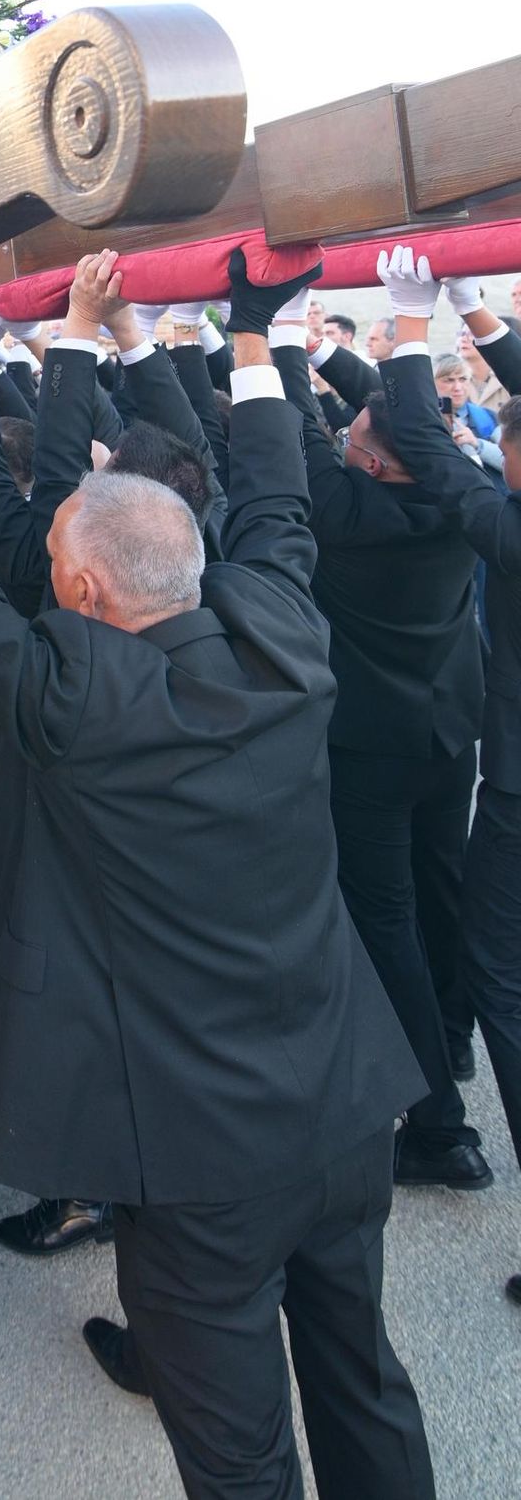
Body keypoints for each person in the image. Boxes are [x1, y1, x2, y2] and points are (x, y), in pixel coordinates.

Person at [0, 259, 434, 1500]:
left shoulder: (66, 700)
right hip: (343, 1102)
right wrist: (242, 327)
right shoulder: (284, 629)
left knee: (238, 1456)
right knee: (364, 1383)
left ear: (73, 590)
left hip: (198, 1162)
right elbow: (275, 493)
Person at [271, 253, 491, 1186]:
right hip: (448, 733)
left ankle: (439, 1123)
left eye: (354, 423)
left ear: (364, 457)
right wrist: (338, 344)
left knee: (388, 916)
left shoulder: (342, 510)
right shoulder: (451, 498)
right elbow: (394, 428)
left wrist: (277, 332)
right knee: (442, 896)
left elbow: (284, 426)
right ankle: (451, 1039)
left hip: (371, 748)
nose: (346, 418)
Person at [379, 256, 521, 1307]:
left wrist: (405, 323)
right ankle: (452, 1060)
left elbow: (425, 445)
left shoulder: (506, 525)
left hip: (512, 793)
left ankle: (457, 1074)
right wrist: (465, 312)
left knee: (494, 968)